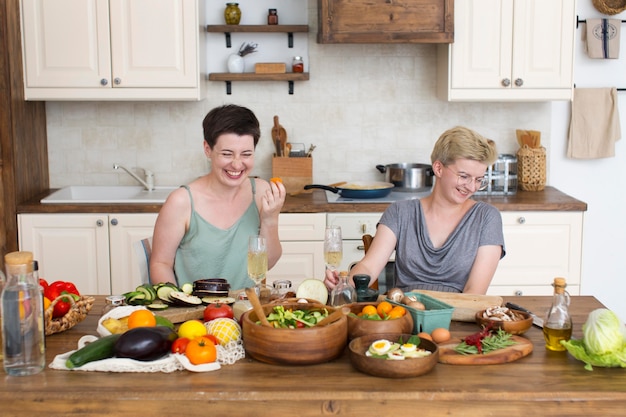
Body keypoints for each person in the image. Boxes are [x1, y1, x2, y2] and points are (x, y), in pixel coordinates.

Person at [325, 126, 505, 295]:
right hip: (403, 315)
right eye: (464, 176)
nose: (472, 187)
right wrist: (344, 285)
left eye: (479, 179)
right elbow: (369, 267)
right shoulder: (400, 213)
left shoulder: (486, 218)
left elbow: (475, 293)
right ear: (438, 168)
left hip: (457, 318)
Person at [150, 104, 286, 290]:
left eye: (246, 154)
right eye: (227, 154)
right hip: (196, 314)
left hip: (246, 311)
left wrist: (270, 219)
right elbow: (160, 264)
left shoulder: (261, 193)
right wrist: (179, 304)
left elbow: (267, 264)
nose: (237, 165)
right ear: (207, 149)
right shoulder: (182, 201)